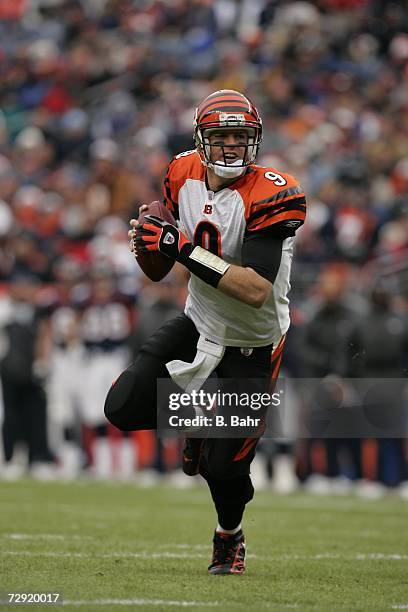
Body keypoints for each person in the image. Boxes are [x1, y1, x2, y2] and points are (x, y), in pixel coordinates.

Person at [104, 90, 306, 574]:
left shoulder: (273, 191)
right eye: (221, 136)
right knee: (123, 407)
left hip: (253, 343)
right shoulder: (180, 172)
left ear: (255, 140)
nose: (232, 146)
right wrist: (151, 245)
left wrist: (181, 248)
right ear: (201, 140)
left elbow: (256, 289)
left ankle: (229, 537)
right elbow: (159, 270)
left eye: (241, 136)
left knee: (223, 467)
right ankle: (195, 419)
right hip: (199, 323)